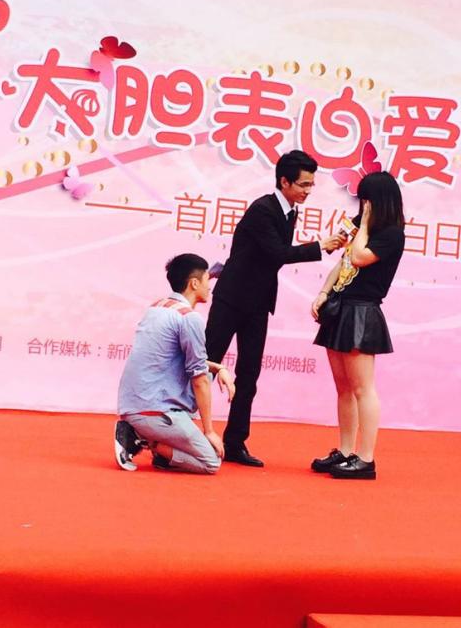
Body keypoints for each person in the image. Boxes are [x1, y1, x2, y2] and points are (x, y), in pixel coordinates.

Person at [205, 150, 345, 467]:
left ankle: (235, 442)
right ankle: (178, 431)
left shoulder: (289, 212)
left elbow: (272, 258)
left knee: (249, 373)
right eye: (304, 184)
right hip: (231, 298)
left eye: (311, 185)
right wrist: (321, 246)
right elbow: (277, 253)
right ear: (284, 181)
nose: (308, 191)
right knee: (206, 367)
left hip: (258, 303)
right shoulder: (263, 210)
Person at [310, 171, 405, 480]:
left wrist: (362, 226)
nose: (362, 205)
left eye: (367, 200)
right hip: (340, 308)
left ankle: (365, 459)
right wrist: (323, 293)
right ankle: (345, 451)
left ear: (380, 201)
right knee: (343, 388)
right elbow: (344, 262)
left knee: (363, 388)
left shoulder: (391, 233)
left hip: (362, 312)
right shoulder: (359, 226)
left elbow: (361, 257)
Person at [114, 253, 235, 474]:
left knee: (205, 373)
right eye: (207, 279)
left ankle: (155, 444)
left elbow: (179, 359)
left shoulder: (157, 307)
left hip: (132, 406)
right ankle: (144, 440)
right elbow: (199, 380)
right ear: (194, 283)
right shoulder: (189, 318)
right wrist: (209, 430)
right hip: (154, 411)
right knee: (211, 462)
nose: (209, 286)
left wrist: (219, 367)